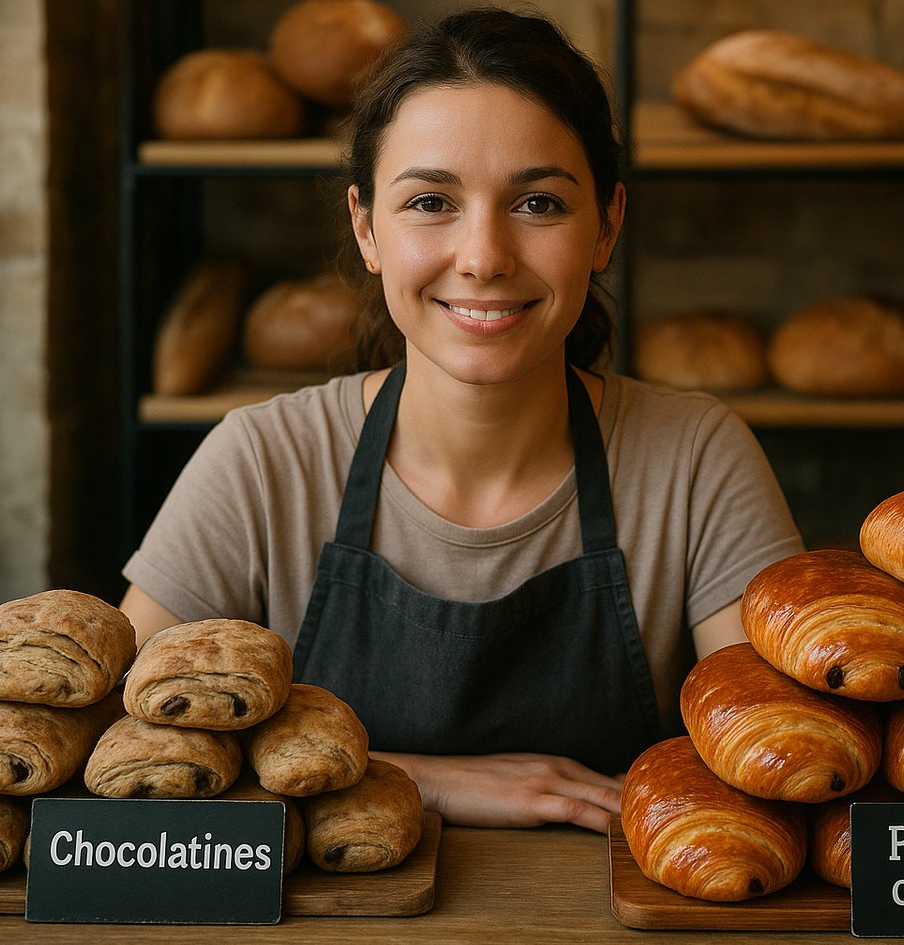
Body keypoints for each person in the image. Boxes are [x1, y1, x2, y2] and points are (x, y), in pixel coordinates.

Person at [119, 6, 804, 834]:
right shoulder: (264, 461)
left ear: (607, 226)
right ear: (367, 228)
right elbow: (126, 746)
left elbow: (777, 757)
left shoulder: (695, 459)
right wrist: (421, 780)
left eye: (539, 202)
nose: (483, 257)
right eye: (431, 201)